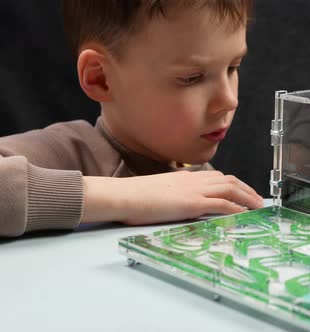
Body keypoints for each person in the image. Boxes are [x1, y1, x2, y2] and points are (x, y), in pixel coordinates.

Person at [0, 0, 264, 237]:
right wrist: (129, 196)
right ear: (99, 78)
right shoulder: (64, 155)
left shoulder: (203, 185)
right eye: (191, 78)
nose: (229, 100)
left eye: (232, 67)